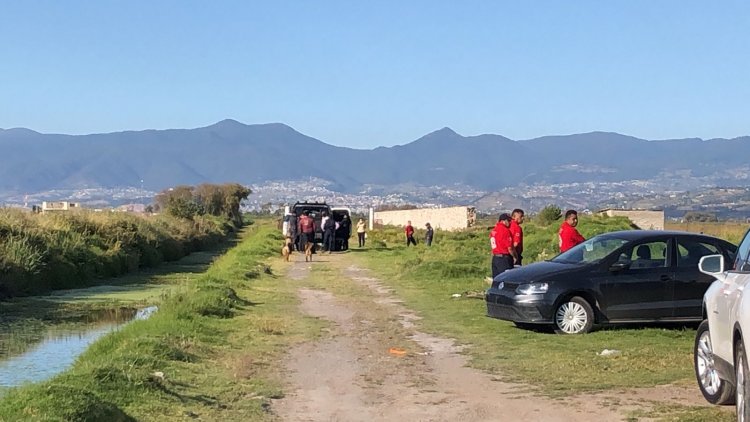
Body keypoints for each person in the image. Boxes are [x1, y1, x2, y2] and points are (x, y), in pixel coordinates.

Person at [490, 213, 518, 278]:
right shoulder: (505, 231)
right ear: (503, 221)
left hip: (495, 258)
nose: (510, 222)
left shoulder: (494, 230)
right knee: (507, 278)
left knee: (496, 279)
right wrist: (515, 257)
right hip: (504, 258)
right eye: (509, 221)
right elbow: (510, 248)